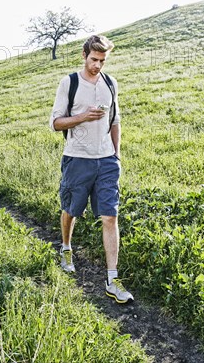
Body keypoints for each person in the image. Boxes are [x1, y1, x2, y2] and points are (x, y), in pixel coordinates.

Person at [49, 35, 133, 304]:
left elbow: (115, 120)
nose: (98, 66)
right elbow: (56, 123)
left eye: (103, 61)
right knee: (71, 210)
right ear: (84, 55)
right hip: (77, 158)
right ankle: (66, 248)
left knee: (110, 217)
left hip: (107, 160)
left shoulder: (110, 83)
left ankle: (112, 279)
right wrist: (83, 116)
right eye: (94, 60)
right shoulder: (70, 83)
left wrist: (117, 155)